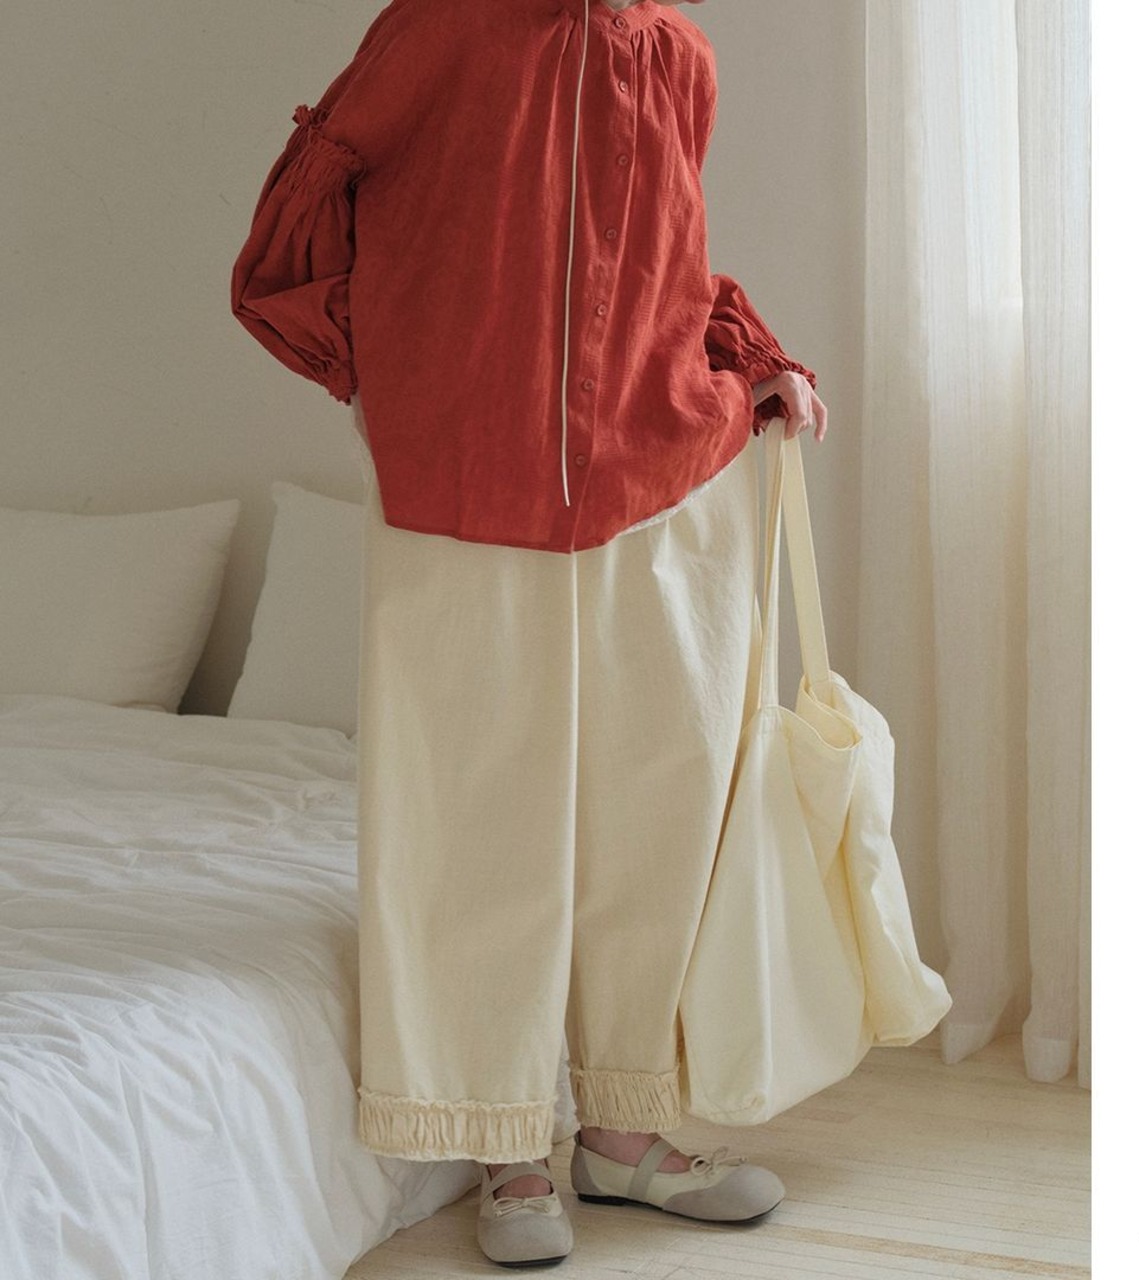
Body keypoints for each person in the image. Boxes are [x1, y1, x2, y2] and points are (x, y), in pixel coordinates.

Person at [231, 0, 828, 1267]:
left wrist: (750, 358)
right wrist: (395, 374)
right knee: (472, 812)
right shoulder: (442, 26)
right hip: (460, 481)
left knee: (654, 804)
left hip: (651, 482)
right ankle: (501, 1141)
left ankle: (623, 1130)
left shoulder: (674, 48)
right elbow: (311, 200)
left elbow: (667, 263)